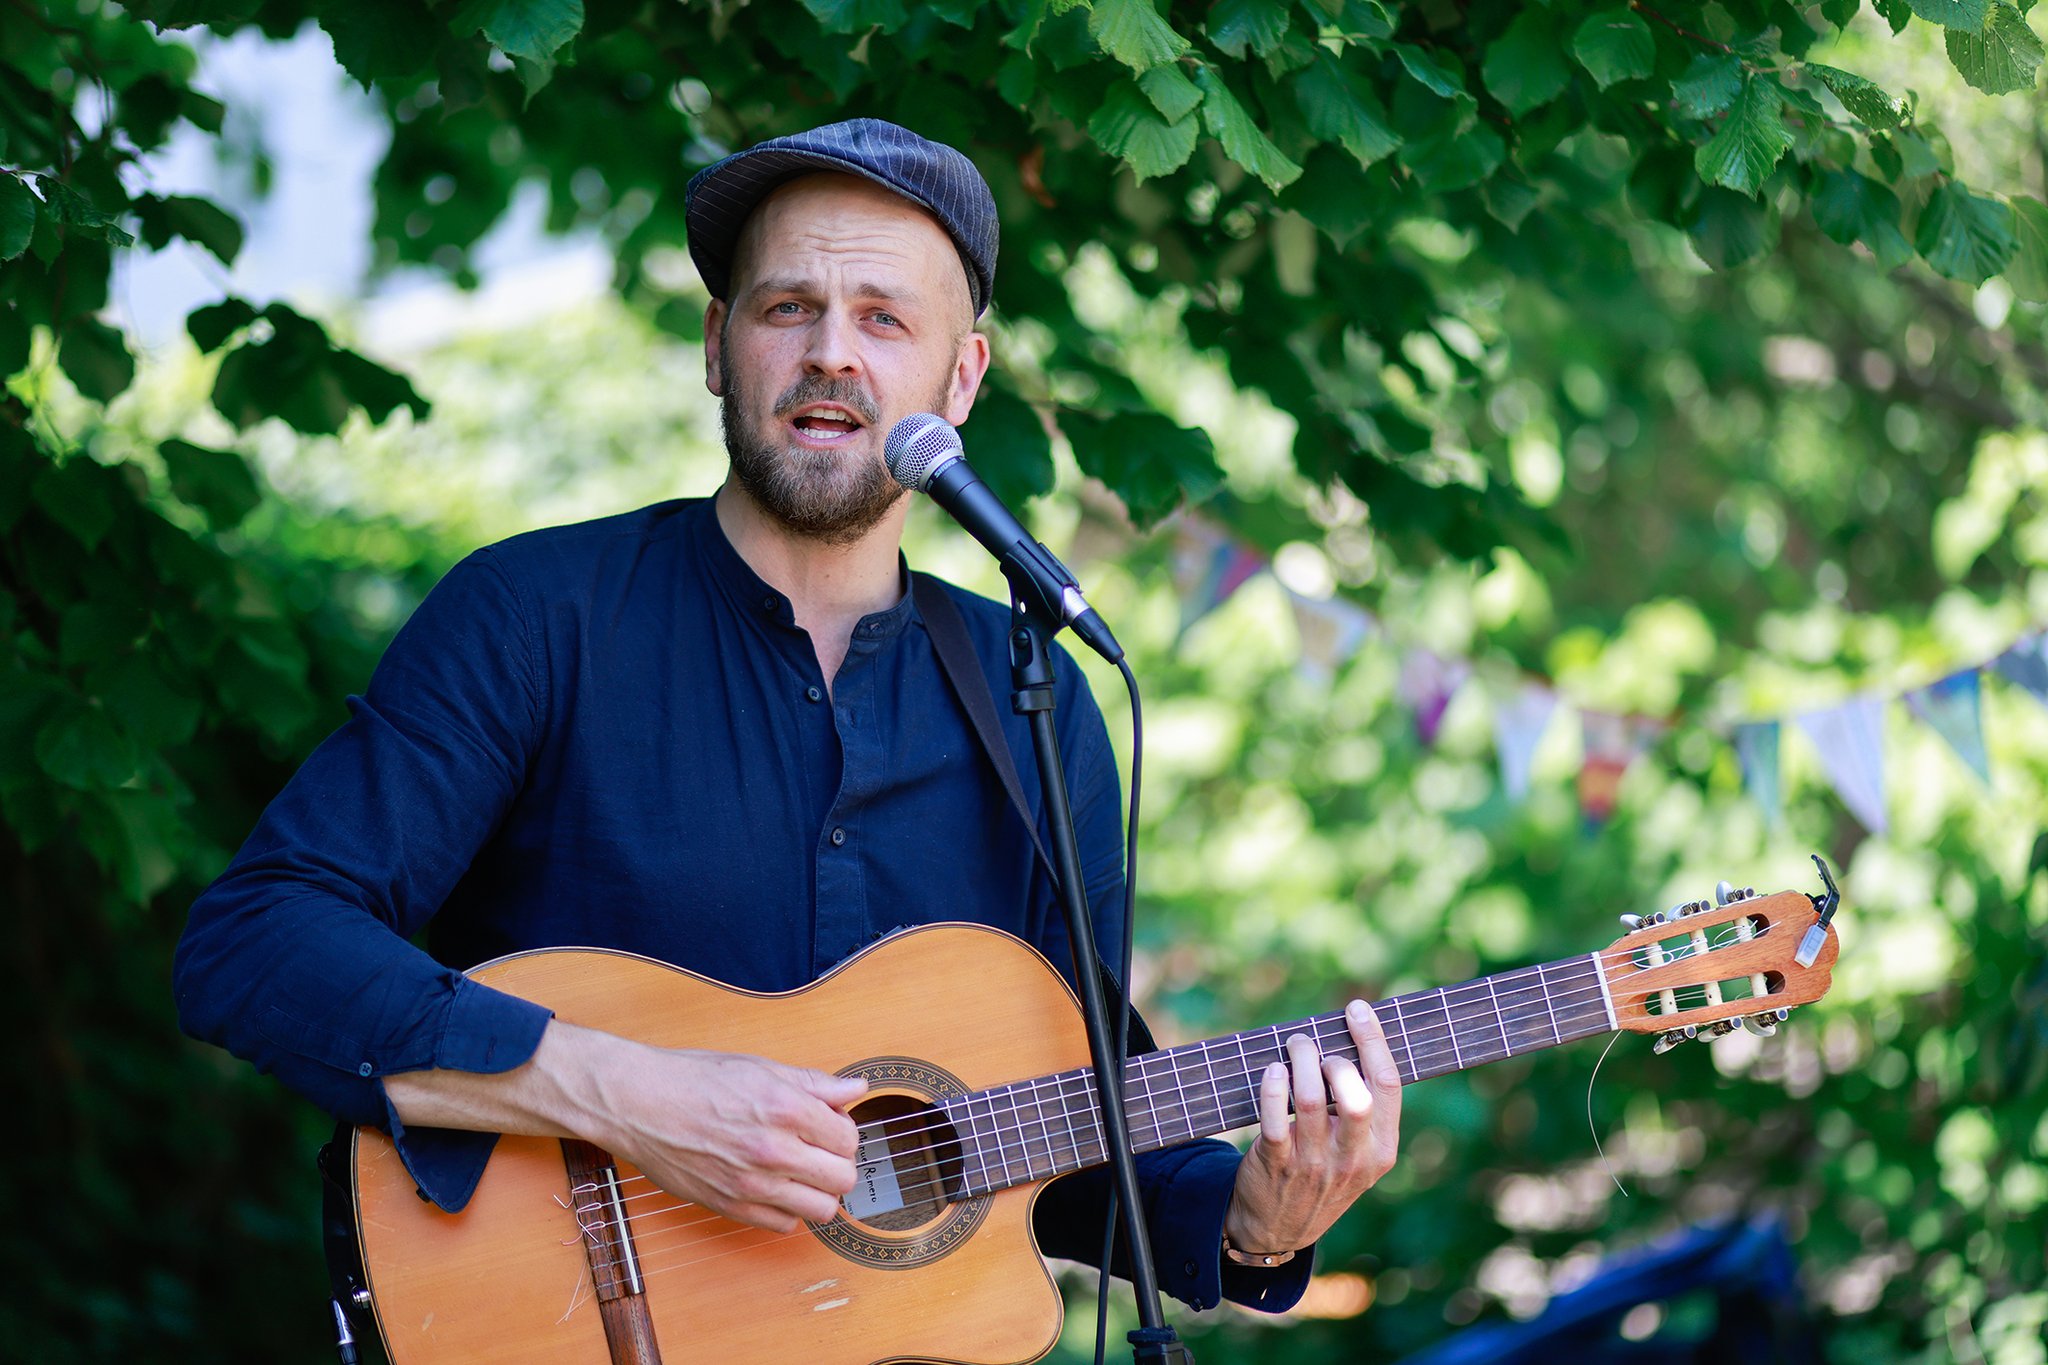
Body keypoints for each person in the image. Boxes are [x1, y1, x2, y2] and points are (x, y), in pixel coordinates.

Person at [173, 118, 1403, 1321]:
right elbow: (255, 946)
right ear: (718, 345)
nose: (831, 353)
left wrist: (1252, 1222)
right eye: (785, 309)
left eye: (883, 318)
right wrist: (627, 1094)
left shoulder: (1036, 694)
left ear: (957, 378)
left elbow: (1062, 1135)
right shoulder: (533, 617)